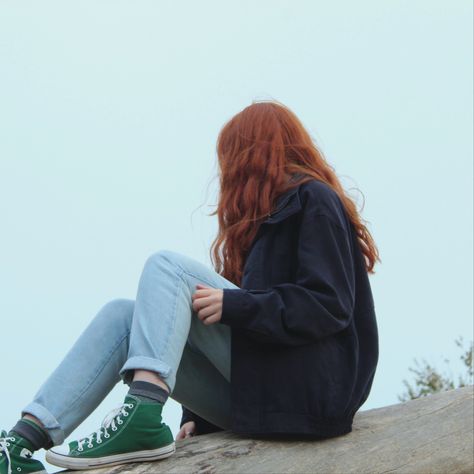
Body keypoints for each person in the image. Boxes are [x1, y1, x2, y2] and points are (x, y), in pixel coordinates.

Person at [0, 100, 380, 474]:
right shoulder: (257, 230)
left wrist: (236, 305)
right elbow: (215, 339)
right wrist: (198, 416)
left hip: (313, 393)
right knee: (122, 315)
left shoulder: (315, 199)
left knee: (168, 268)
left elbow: (328, 304)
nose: (228, 170)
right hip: (263, 395)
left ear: (258, 152)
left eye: (233, 155)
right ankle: (21, 442)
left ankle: (143, 412)